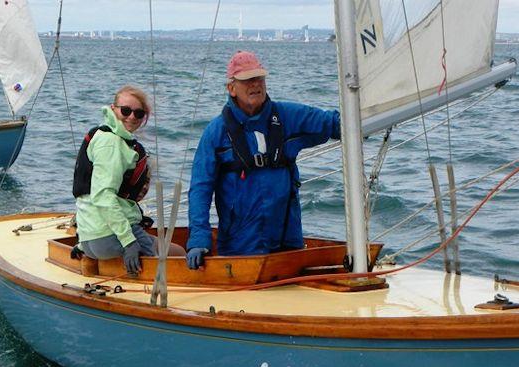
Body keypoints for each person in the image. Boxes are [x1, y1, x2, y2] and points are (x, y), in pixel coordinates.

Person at [185, 50, 340, 268]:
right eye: (247, 80)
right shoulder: (215, 133)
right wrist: (198, 240)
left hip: (287, 244)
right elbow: (200, 189)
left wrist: (363, 119)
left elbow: (332, 123)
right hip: (240, 248)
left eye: (259, 78)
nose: (255, 84)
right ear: (231, 88)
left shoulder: (287, 116)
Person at [72, 85, 156, 275]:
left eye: (139, 113)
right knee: (168, 260)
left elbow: (86, 196)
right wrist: (129, 241)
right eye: (125, 110)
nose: (132, 117)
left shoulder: (101, 136)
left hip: (90, 238)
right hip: (109, 236)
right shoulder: (112, 144)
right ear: (113, 109)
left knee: (172, 249)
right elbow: (102, 196)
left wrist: (82, 241)